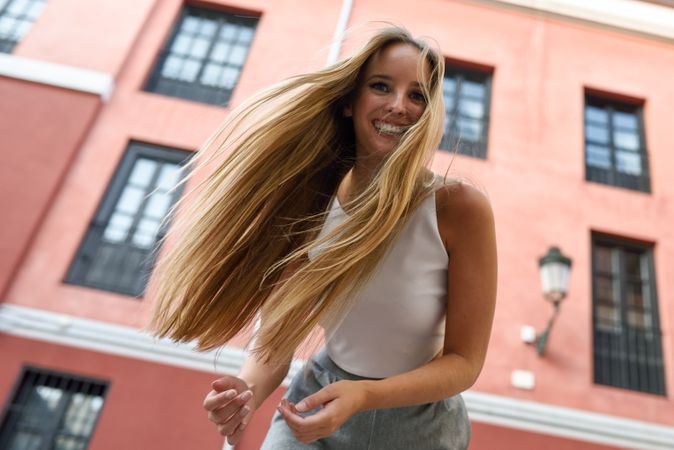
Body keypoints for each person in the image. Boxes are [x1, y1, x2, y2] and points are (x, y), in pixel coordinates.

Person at [150, 25, 497, 450]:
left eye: (417, 95)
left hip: (419, 428)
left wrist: (365, 395)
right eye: (381, 86)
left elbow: (465, 362)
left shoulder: (459, 208)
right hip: (317, 401)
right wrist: (247, 391)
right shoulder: (313, 200)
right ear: (351, 101)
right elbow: (278, 340)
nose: (398, 106)